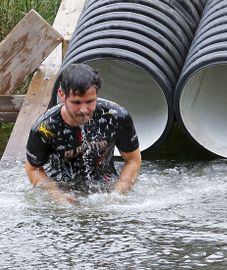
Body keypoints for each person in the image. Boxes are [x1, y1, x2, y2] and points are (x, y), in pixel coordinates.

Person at [25, 63, 141, 204]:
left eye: (89, 101)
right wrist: (56, 195)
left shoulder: (116, 117)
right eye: (77, 102)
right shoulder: (45, 128)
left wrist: (118, 194)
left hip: (104, 186)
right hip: (63, 187)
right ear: (62, 95)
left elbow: (133, 160)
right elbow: (33, 169)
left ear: (96, 94)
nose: (84, 110)